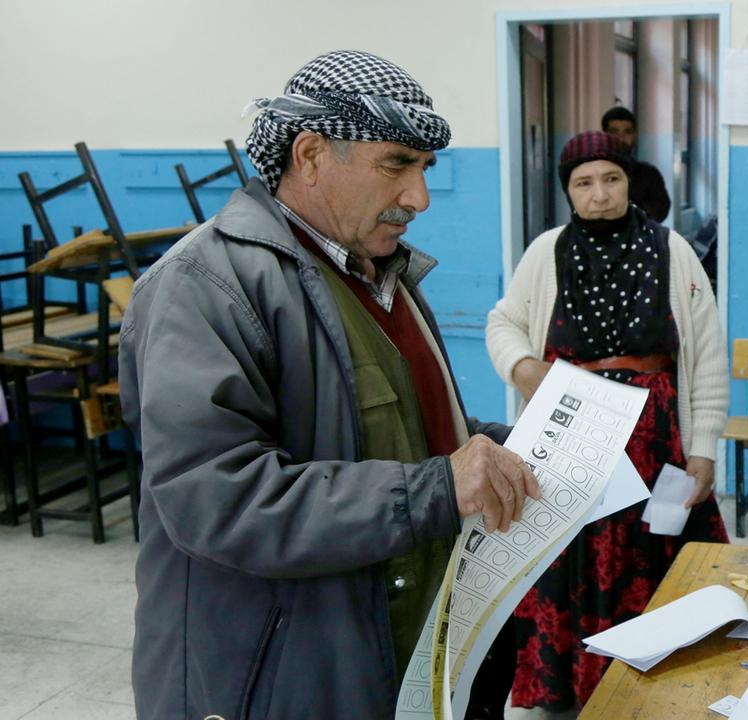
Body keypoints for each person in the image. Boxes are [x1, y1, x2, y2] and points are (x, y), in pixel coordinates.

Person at [119, 50, 539, 720]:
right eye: (397, 164)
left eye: (425, 168)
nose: (419, 198)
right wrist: (436, 487)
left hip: (404, 657)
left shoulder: (381, 276)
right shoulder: (204, 286)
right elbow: (214, 497)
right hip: (281, 680)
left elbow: (397, 432)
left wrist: (512, 449)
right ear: (310, 155)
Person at [482, 130, 729, 712]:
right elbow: (503, 323)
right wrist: (523, 371)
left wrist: (707, 446)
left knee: (653, 556)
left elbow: (708, 350)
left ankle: (650, 681)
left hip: (656, 438)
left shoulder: (672, 250)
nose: (599, 194)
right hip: (572, 435)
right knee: (571, 558)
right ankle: (571, 684)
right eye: (584, 183)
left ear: (629, 183)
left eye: (610, 179)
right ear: (568, 191)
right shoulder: (546, 251)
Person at [602, 105, 671, 223]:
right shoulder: (593, 172)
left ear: (635, 136)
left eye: (627, 132)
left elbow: (661, 209)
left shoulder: (648, 173)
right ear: (604, 135)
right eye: (614, 132)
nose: (621, 138)